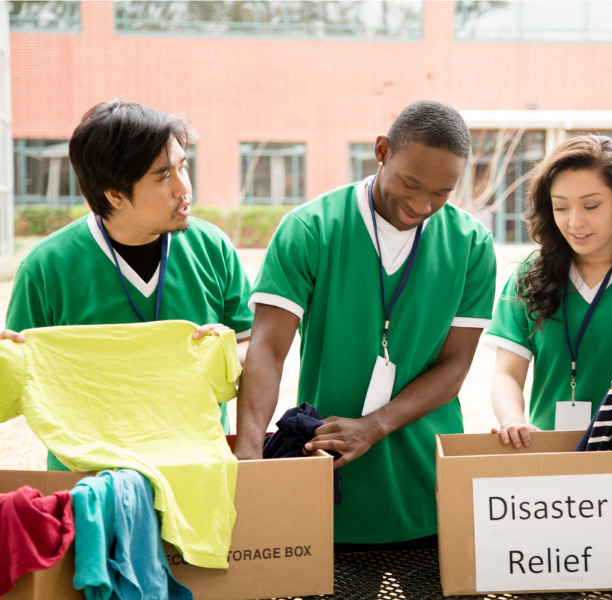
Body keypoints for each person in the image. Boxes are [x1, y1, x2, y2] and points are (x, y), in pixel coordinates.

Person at [235, 100, 496, 547]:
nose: (422, 204)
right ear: (381, 151)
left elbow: (455, 366)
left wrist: (374, 425)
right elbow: (267, 349)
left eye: (441, 193)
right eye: (411, 183)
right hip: (330, 479)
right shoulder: (311, 228)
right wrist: (248, 452)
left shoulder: (471, 244)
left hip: (429, 486)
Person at [2, 99, 253, 469]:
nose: (184, 188)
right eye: (163, 176)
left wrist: (226, 351)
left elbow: (255, 349)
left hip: (197, 469)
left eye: (183, 167)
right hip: (89, 477)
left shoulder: (212, 248)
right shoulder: (45, 268)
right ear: (115, 194)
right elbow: (21, 382)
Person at [485, 135, 612, 486]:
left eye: (591, 205)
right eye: (561, 207)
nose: (575, 222)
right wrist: (512, 420)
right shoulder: (528, 275)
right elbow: (506, 374)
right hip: (553, 467)